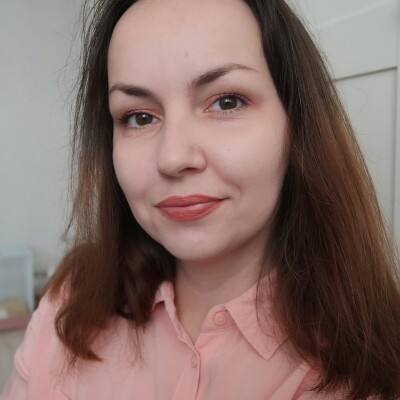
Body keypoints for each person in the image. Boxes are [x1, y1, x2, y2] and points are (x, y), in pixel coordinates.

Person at [2, 0, 400, 399]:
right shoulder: (70, 299)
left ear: (296, 123)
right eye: (139, 117)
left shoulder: (370, 367)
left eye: (226, 102)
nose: (173, 158)